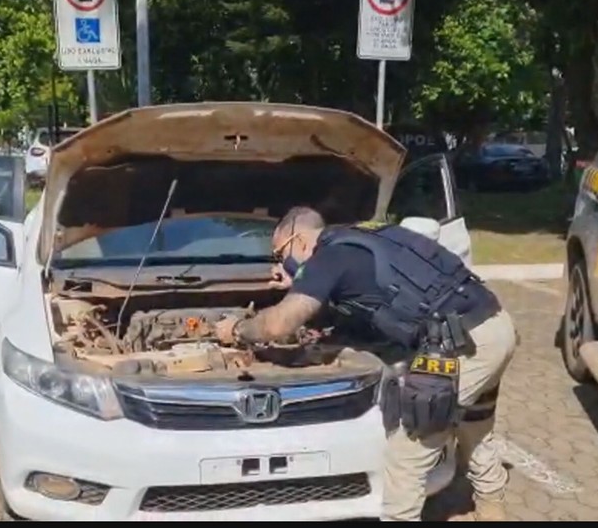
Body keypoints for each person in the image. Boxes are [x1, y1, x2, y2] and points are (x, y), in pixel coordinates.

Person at [214, 206, 518, 522]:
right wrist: (301, 281)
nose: (280, 263)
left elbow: (277, 326)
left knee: (408, 449)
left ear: (299, 240)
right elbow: (366, 292)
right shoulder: (362, 236)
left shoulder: (329, 258)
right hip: (494, 323)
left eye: (279, 254)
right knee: (475, 424)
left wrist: (236, 329)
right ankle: (492, 506)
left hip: (462, 345)